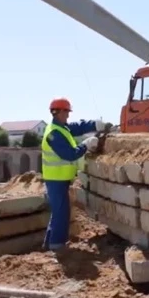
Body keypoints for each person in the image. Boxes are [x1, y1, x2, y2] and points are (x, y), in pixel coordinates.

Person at [41, 97, 107, 251]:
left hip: (60, 179)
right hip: (55, 179)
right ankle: (57, 247)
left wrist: (95, 124)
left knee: (58, 212)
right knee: (61, 213)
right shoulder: (53, 133)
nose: (68, 115)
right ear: (57, 112)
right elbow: (69, 154)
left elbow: (77, 127)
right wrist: (85, 145)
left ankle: (50, 244)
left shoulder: (62, 128)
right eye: (66, 112)